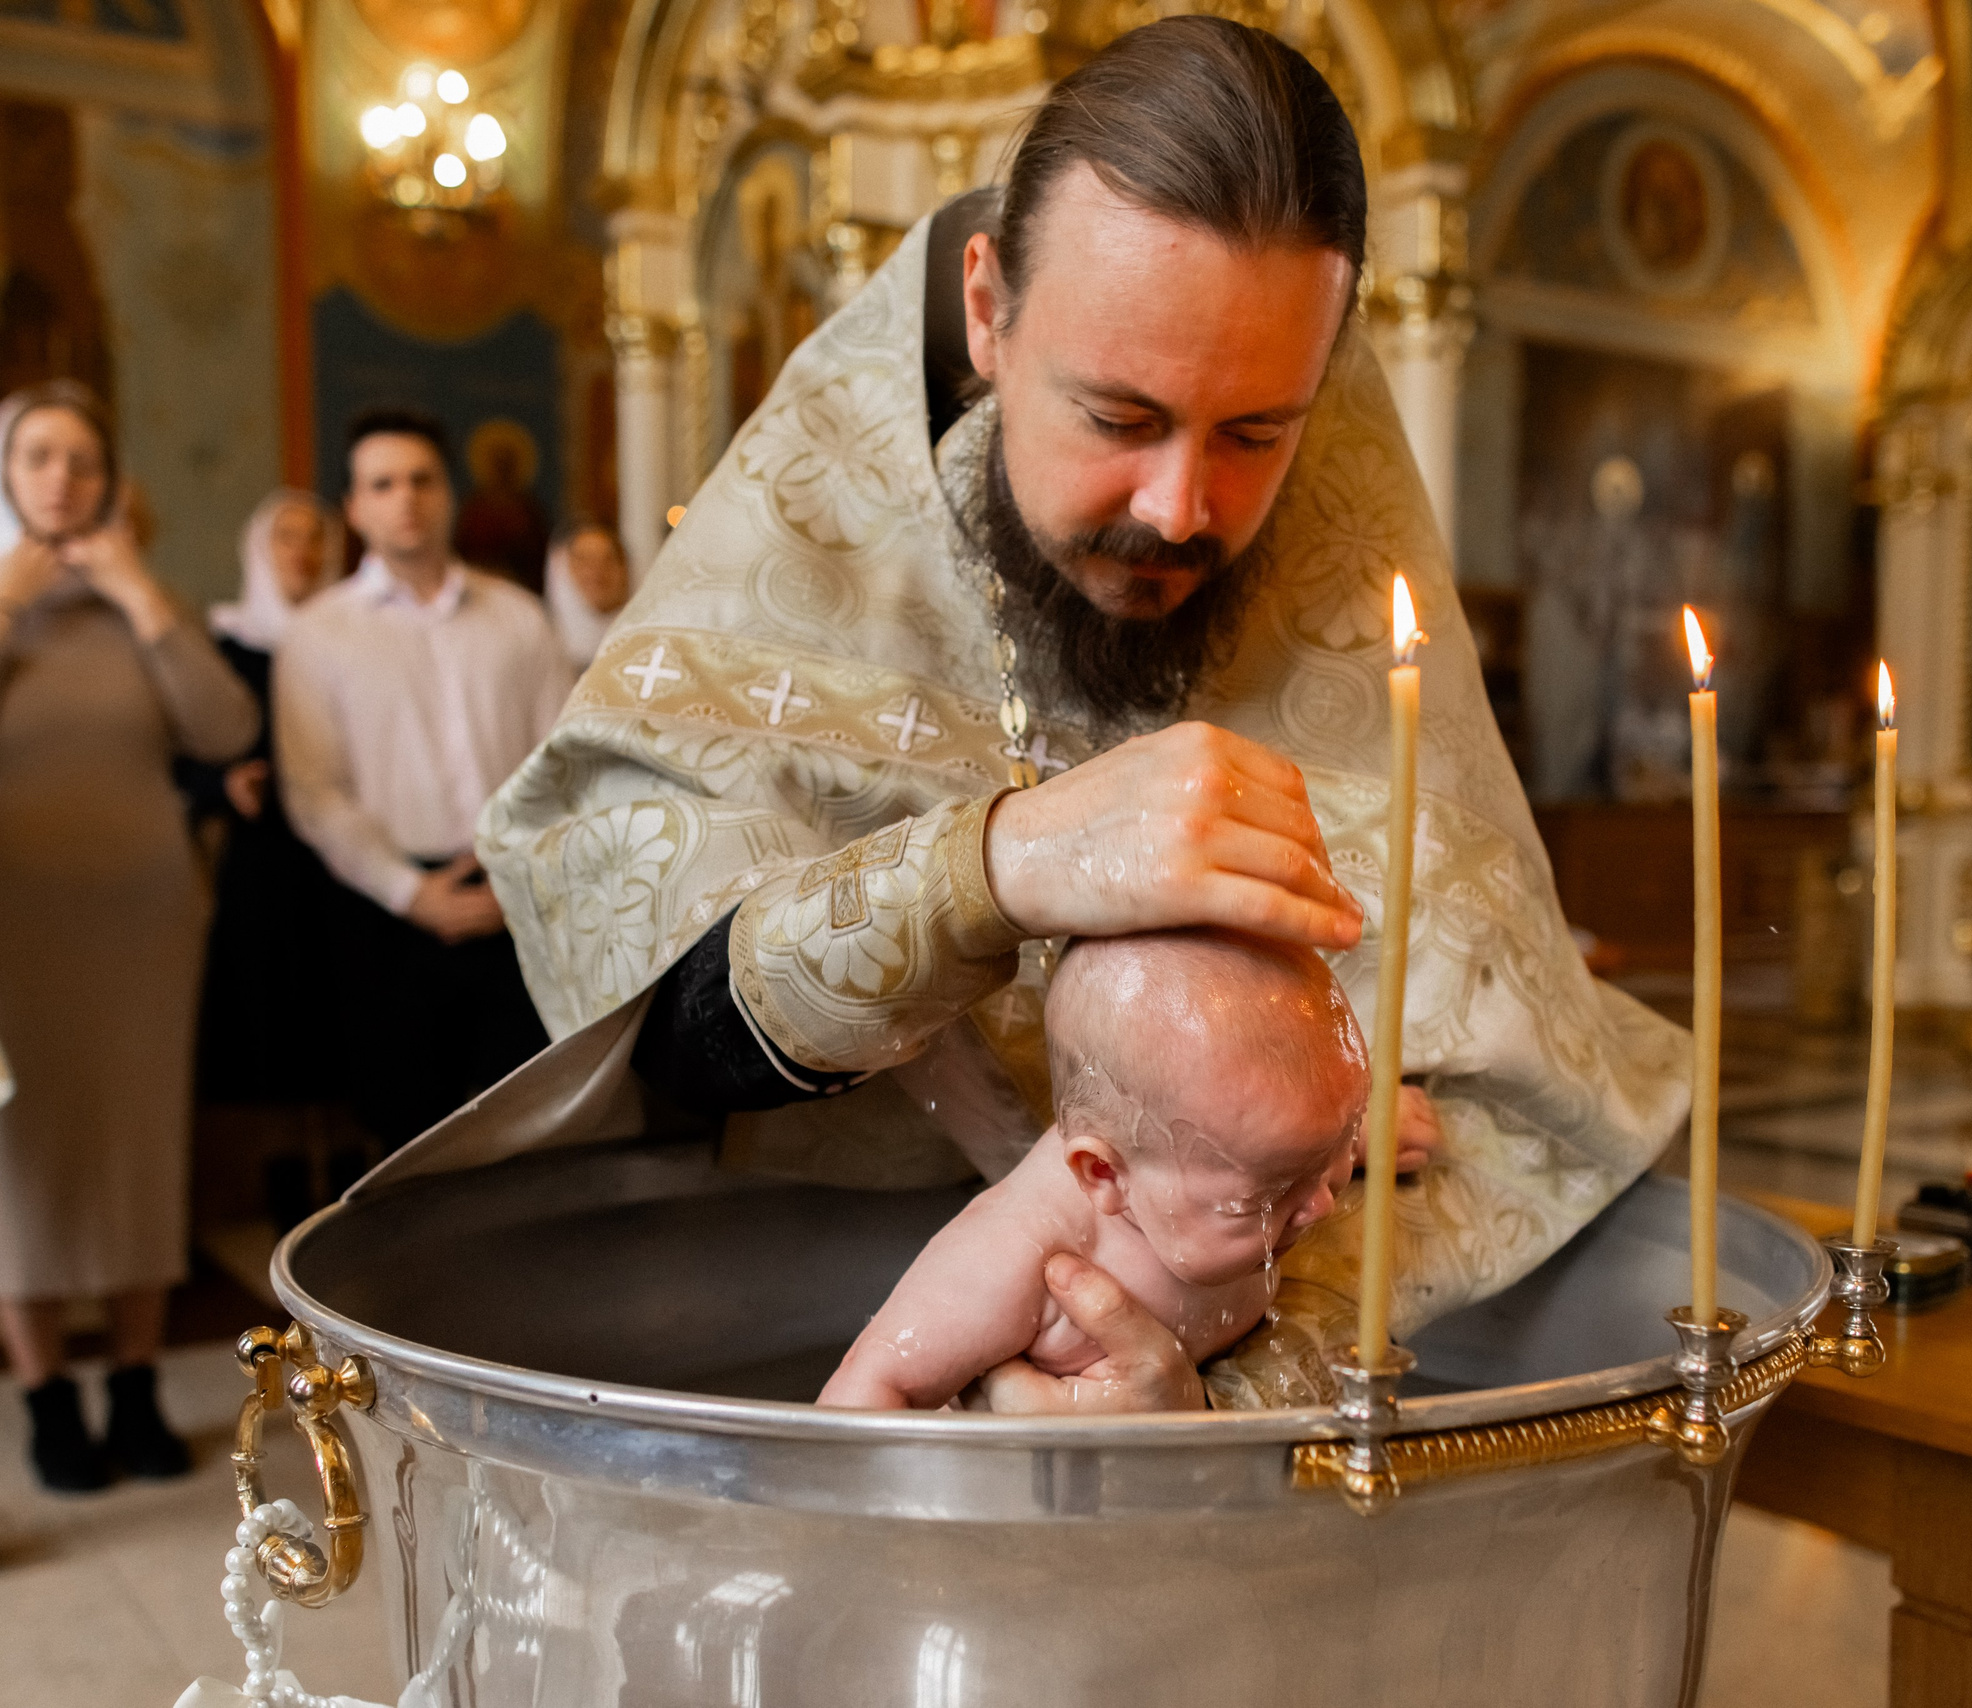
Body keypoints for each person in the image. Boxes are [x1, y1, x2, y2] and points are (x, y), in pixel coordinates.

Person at [480, 18, 1685, 1414]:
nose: (1179, 509)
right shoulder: (821, 556)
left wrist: (1235, 1375)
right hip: (799, 1313)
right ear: (988, 312)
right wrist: (994, 866)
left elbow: (1512, 1115)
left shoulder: (1350, 593)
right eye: (1118, 417)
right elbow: (633, 997)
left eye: (1255, 434)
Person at [0, 380, 261, 1490]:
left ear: (109, 481)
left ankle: (138, 1383)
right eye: (38, 456)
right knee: (23, 1166)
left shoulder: (144, 600)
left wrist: (140, 594)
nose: (61, 477)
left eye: (82, 460)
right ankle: (48, 1397)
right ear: (7, 474)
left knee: (139, 1149)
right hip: (15, 927)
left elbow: (226, 726)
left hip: (143, 922)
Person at [820, 930, 1366, 1410]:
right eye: (1265, 1194)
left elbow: (1291, 1140)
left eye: (1332, 1152)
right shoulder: (1014, 1257)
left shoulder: (1244, 1149)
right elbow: (866, 1392)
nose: (1322, 1204)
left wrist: (1352, 1138)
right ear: (1105, 1174)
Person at [274, 409, 574, 1152]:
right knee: (406, 1139)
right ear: (354, 508)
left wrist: (519, 883)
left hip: (516, 900)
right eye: (382, 484)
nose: (405, 497)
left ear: (450, 493)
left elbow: (564, 765)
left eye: (422, 480)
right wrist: (411, 892)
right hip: (388, 910)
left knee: (526, 1135)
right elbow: (316, 792)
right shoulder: (318, 632)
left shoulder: (519, 618)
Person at [185, 490, 349, 1227]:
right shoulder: (228, 643)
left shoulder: (355, 635)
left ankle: (349, 1182)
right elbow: (181, 752)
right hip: (264, 862)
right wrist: (223, 784)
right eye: (286, 537)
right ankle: (286, 1194)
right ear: (259, 549)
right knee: (275, 1023)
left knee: (341, 1018)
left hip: (344, 859)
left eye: (315, 538)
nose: (302, 553)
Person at [543, 519, 630, 667]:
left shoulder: (644, 638)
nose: (596, 571)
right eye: (584, 560)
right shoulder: (543, 639)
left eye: (607, 559)